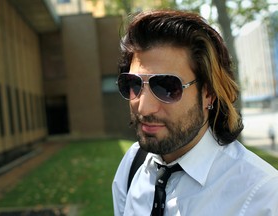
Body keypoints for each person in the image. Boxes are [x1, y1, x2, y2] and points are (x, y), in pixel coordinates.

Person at [112, 10, 278, 216]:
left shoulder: (262, 196)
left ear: (209, 93)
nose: (144, 107)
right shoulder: (132, 164)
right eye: (133, 84)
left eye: (166, 87)